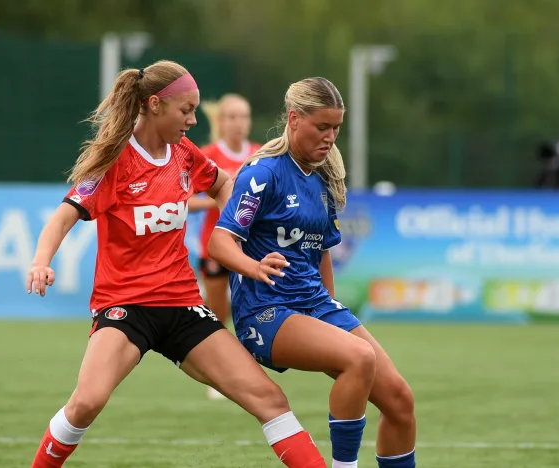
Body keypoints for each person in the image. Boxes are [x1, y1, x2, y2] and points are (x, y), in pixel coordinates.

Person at [27, 61, 326, 468]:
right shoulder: (116, 162)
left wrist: (239, 229)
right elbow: (64, 216)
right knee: (87, 402)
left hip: (182, 305)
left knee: (269, 399)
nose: (194, 119)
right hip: (126, 307)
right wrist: (41, 261)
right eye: (186, 110)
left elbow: (224, 184)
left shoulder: (184, 153)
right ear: (154, 105)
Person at [208, 77, 417, 468]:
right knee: (359, 358)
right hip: (266, 312)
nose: (330, 137)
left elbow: (320, 252)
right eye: (322, 127)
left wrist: (331, 306)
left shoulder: (323, 178)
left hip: (314, 304)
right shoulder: (263, 174)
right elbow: (220, 242)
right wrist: (254, 267)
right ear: (293, 119)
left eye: (336, 128)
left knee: (400, 401)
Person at [187, 93, 262, 400]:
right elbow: (182, 198)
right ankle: (216, 373)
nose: (237, 123)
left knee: (254, 309)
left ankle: (248, 371)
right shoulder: (206, 154)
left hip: (251, 249)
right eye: (231, 116)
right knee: (218, 312)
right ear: (220, 121)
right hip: (215, 247)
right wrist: (212, 200)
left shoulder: (261, 154)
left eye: (243, 116)